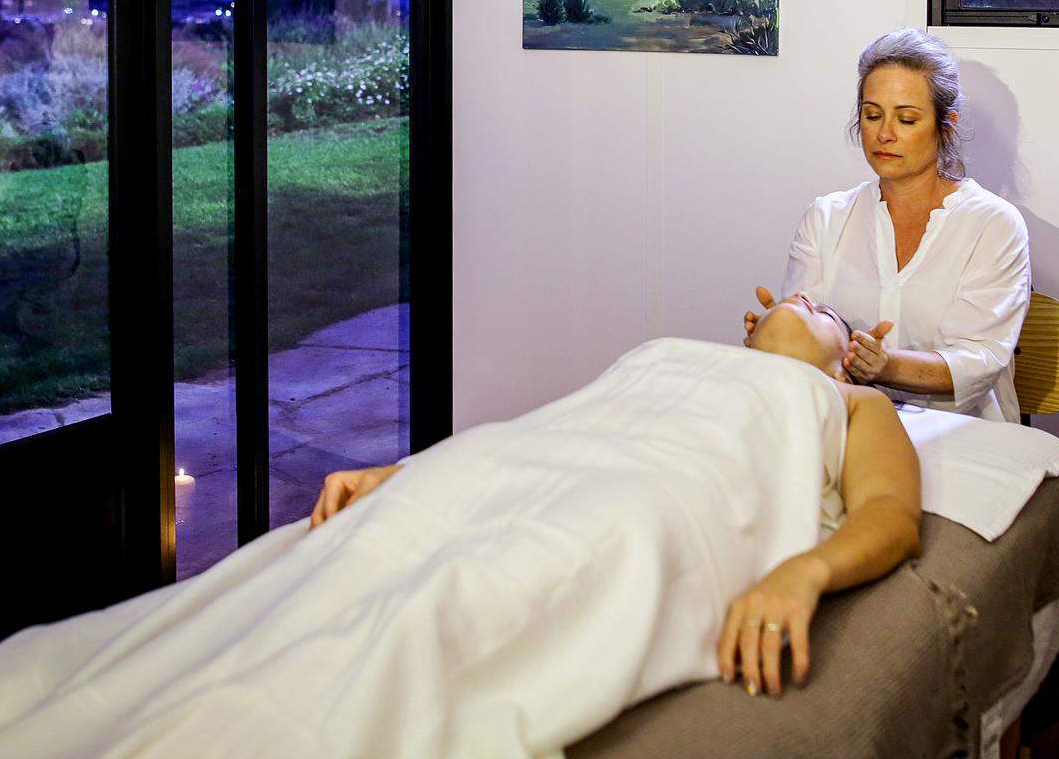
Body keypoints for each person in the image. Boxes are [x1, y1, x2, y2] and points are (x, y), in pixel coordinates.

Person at [311, 293, 921, 702]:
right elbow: (553, 435)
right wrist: (416, 476)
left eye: (822, 310)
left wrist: (805, 572)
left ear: (843, 365)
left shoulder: (848, 399)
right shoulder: (670, 352)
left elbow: (889, 515)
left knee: (490, 584)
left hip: (651, 498)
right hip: (560, 468)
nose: (802, 296)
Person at [749, 28, 1030, 422]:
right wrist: (778, 336)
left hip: (961, 430)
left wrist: (885, 365)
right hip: (848, 421)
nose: (884, 134)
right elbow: (812, 355)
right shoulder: (826, 217)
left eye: (907, 119)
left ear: (946, 125)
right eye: (872, 115)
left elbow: (980, 360)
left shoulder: (993, 224)